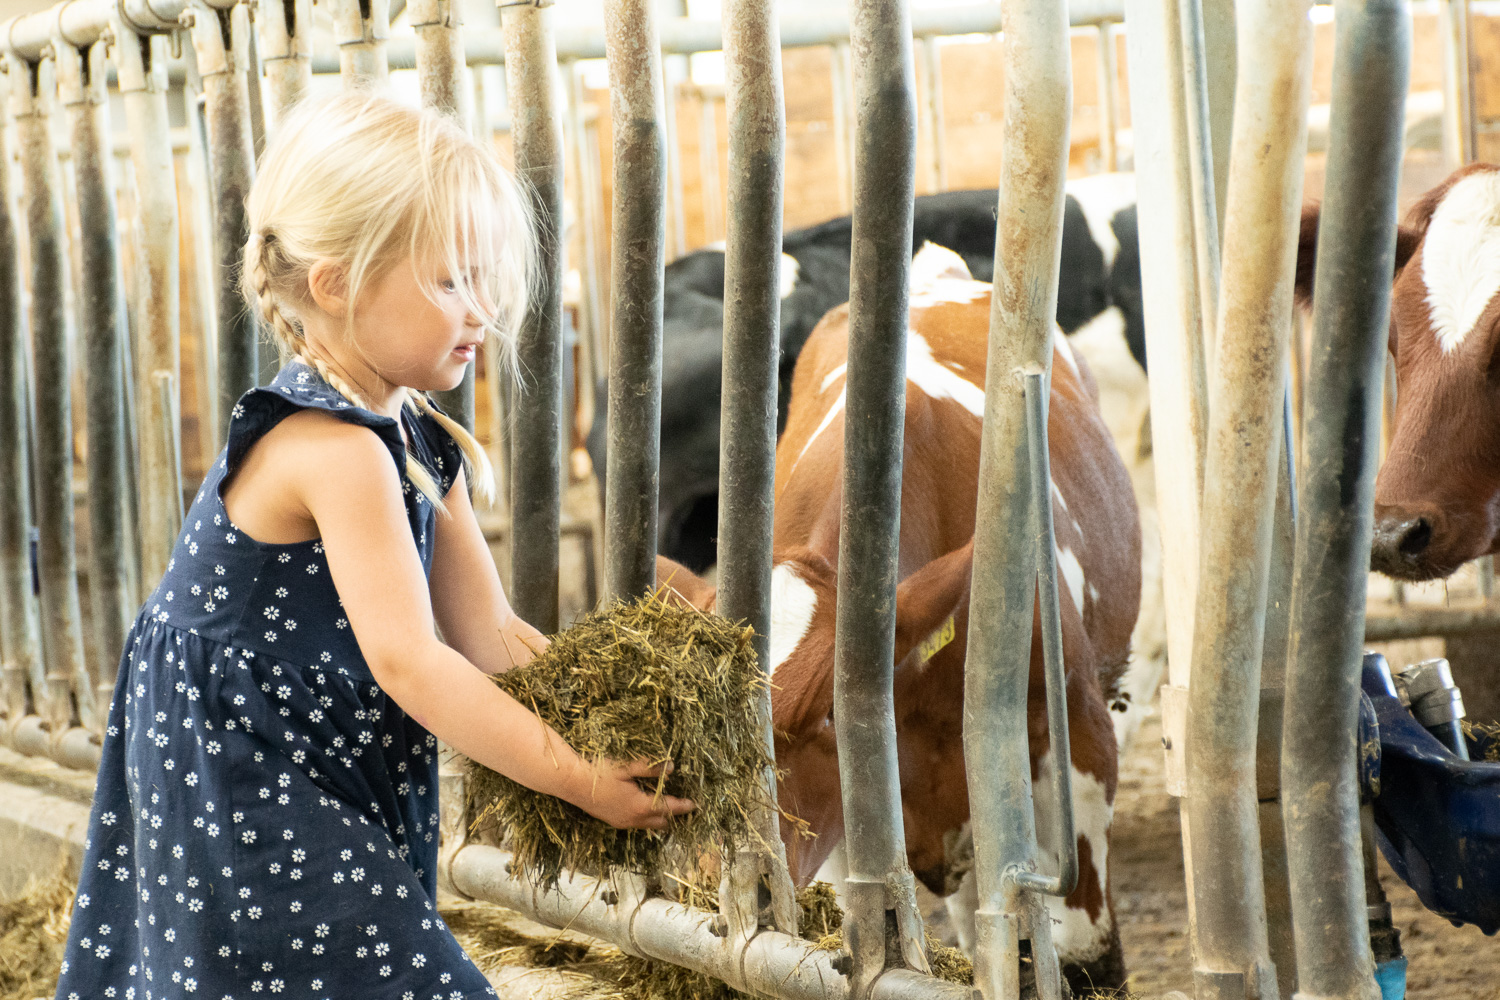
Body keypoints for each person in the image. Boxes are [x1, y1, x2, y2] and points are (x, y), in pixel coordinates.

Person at [54, 92, 693, 1000]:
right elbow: (411, 663)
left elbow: (491, 636)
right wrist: (576, 778)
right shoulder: (335, 449)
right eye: (449, 282)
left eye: (485, 278)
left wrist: (602, 721)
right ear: (337, 283)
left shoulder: (418, 437)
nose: (481, 311)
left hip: (325, 761)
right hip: (248, 773)